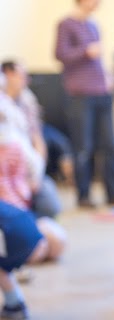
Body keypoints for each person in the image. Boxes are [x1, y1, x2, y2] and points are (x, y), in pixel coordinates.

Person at [55, 0, 114, 208]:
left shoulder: (93, 24)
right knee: (83, 147)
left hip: (102, 92)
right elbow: (60, 54)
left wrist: (107, 77)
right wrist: (85, 51)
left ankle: (113, 192)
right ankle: (83, 195)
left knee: (109, 145)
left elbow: (98, 60)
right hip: (80, 95)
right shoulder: (66, 24)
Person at [1, 61, 62, 219]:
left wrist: (36, 174)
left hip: (28, 168)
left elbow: (38, 139)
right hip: (6, 173)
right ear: (8, 74)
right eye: (22, 76)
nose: (26, 80)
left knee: (50, 204)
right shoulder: (3, 106)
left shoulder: (27, 99)